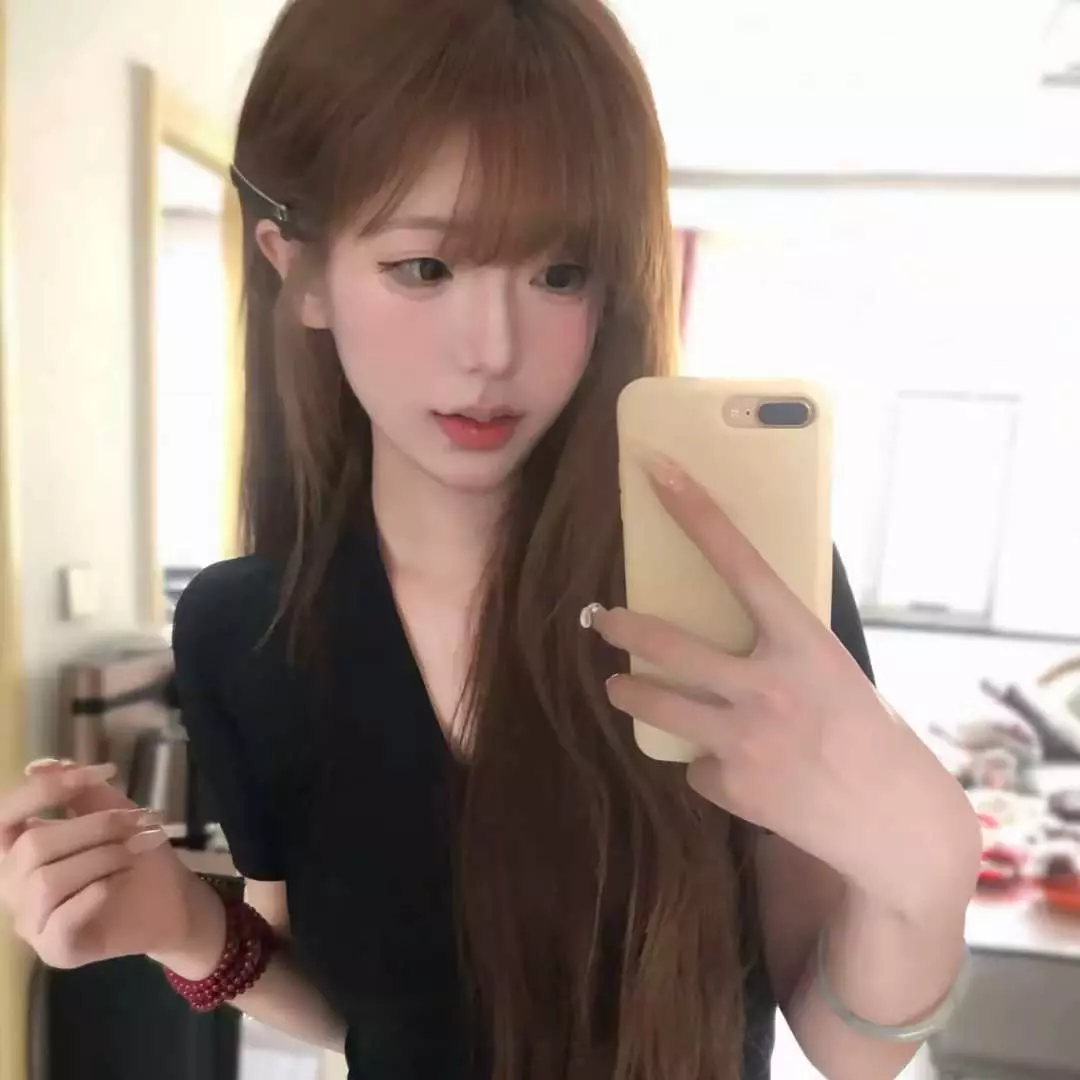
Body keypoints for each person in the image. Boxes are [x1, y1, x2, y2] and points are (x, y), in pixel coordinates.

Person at [0, 1, 981, 1078]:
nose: (493, 351)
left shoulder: (739, 592)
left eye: (559, 272)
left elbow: (847, 1048)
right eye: (425, 268)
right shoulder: (246, 631)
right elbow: (359, 1017)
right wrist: (178, 924)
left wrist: (928, 879)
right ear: (302, 270)